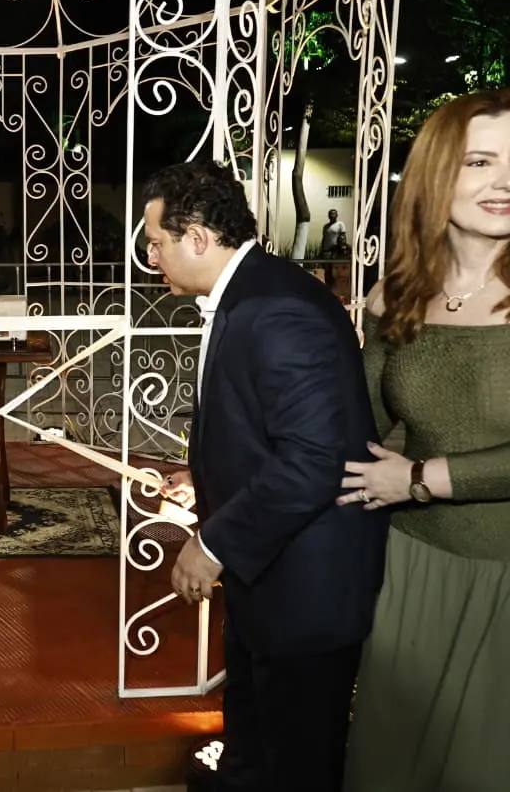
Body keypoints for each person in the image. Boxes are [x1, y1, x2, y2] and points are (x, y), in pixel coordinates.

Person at [340, 89, 510, 790]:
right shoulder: (395, 297)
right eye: (481, 161)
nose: (509, 181)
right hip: (418, 567)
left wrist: (420, 477)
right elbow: (366, 429)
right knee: (397, 767)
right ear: (434, 177)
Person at [143, 160, 387, 792]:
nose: (151, 257)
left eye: (156, 243)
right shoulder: (252, 291)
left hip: (305, 586)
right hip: (274, 577)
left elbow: (312, 458)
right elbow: (269, 431)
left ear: (197, 238)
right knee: (254, 747)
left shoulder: (274, 307)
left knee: (296, 762)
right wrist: (206, 477)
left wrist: (214, 543)